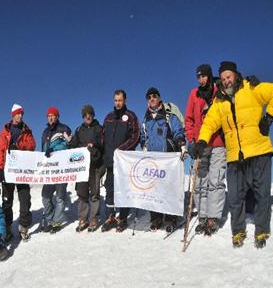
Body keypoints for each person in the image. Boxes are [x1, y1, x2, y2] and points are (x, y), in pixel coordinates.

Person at [194, 61, 273, 248]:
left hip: (259, 151)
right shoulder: (219, 102)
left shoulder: (251, 88)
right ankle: (238, 232)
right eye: (224, 78)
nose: (227, 81)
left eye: (229, 76)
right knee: (235, 197)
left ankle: (261, 231)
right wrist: (202, 141)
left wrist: (268, 118)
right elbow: (210, 123)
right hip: (235, 156)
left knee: (262, 194)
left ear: (235, 75)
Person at [185, 64, 226, 235]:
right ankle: (202, 216)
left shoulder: (219, 92)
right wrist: (192, 140)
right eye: (198, 77)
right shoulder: (194, 94)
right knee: (200, 181)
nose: (201, 80)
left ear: (209, 76)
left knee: (215, 181)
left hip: (217, 142)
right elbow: (189, 119)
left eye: (203, 76)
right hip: (199, 145)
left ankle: (213, 217)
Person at [140, 87, 186, 233]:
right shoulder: (146, 119)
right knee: (153, 189)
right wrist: (144, 146)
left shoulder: (168, 115)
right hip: (153, 161)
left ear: (159, 98)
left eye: (154, 96)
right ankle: (156, 217)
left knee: (169, 188)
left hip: (168, 159)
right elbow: (143, 136)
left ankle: (172, 218)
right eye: (149, 97)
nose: (151, 99)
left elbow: (178, 130)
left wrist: (182, 144)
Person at [0, 104, 36, 241]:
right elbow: (0, 150)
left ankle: (23, 227)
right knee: (7, 202)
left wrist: (18, 146)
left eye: (21, 114)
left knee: (25, 199)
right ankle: (7, 228)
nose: (20, 116)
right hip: (9, 171)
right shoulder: (5, 131)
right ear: (13, 115)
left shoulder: (26, 130)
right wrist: (0, 168)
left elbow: (32, 145)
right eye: (18, 114)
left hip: (22, 171)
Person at [101, 89, 140, 232]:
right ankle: (110, 217)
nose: (118, 103)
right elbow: (103, 138)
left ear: (125, 101)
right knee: (110, 189)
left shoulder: (131, 116)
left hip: (124, 162)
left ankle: (122, 218)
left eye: (120, 100)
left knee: (123, 189)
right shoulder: (108, 117)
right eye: (116, 100)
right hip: (111, 161)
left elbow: (135, 136)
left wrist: (122, 149)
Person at [69, 105, 103, 232]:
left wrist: (94, 146)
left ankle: (94, 217)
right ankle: (83, 218)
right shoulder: (79, 130)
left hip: (94, 165)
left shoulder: (99, 128)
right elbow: (73, 145)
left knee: (94, 193)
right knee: (82, 193)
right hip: (82, 168)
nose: (88, 117)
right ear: (83, 117)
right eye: (85, 115)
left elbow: (103, 143)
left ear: (93, 115)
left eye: (90, 114)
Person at [41, 107, 72, 234]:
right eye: (49, 116)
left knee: (60, 197)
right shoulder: (45, 132)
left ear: (57, 116)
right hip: (49, 170)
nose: (51, 117)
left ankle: (56, 221)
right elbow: (43, 149)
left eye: (53, 115)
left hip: (61, 169)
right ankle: (49, 219)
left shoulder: (64, 129)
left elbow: (69, 144)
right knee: (45, 196)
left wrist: (55, 150)